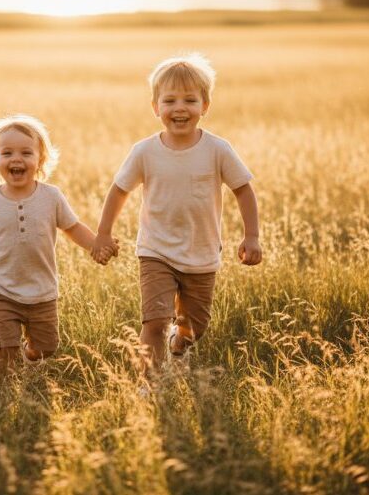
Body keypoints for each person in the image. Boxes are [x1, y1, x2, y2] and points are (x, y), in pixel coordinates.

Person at [91, 53, 261, 375]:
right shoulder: (144, 151)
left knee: (195, 327)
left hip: (202, 253)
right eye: (169, 100)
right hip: (156, 250)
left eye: (189, 100)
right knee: (154, 321)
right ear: (155, 107)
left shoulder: (218, 150)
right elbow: (119, 190)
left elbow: (243, 189)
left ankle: (179, 343)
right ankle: (149, 384)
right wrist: (103, 233)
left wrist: (251, 236)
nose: (179, 108)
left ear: (204, 106)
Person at [0, 114, 116, 377]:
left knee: (45, 348)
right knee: (4, 352)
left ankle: (30, 358)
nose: (16, 159)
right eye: (7, 153)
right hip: (1, 291)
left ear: (40, 160)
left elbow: (72, 227)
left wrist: (96, 245)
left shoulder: (51, 197)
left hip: (42, 292)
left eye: (26, 153)